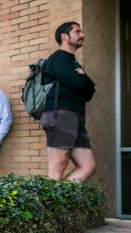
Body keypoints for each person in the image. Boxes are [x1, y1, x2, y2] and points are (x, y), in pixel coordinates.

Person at [41, 21, 96, 181]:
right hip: (60, 115)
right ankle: (51, 205)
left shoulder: (72, 61)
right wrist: (84, 82)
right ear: (64, 37)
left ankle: (62, 199)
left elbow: (90, 90)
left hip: (75, 115)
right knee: (58, 165)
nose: (82, 35)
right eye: (78, 32)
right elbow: (81, 84)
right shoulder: (58, 59)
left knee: (88, 166)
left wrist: (85, 83)